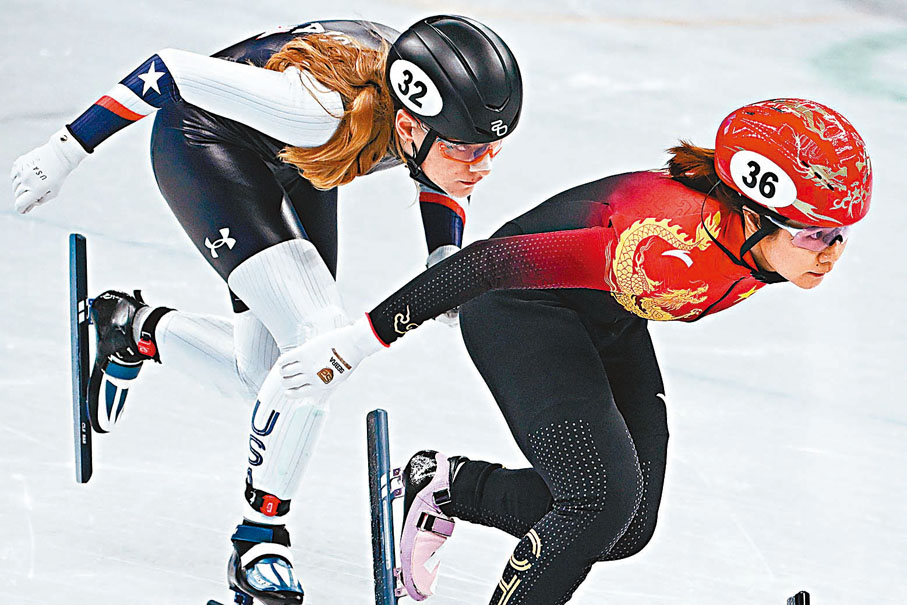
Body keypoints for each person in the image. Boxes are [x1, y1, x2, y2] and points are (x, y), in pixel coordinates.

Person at [272, 98, 872, 604]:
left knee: (626, 527)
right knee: (598, 499)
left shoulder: (750, 245)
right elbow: (484, 265)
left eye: (840, 234)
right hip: (519, 309)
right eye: (816, 233)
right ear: (754, 209)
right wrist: (350, 347)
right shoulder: (661, 242)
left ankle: (446, 487)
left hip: (606, 317)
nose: (831, 253)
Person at [9, 16, 522, 604]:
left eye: (494, 149)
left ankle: (133, 329)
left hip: (299, 163)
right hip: (209, 146)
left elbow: (441, 181)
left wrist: (441, 257)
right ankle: (260, 539)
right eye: (469, 148)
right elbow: (168, 71)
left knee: (265, 373)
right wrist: (66, 149)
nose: (483, 165)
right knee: (319, 341)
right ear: (408, 126)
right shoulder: (320, 108)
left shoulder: (419, 115)